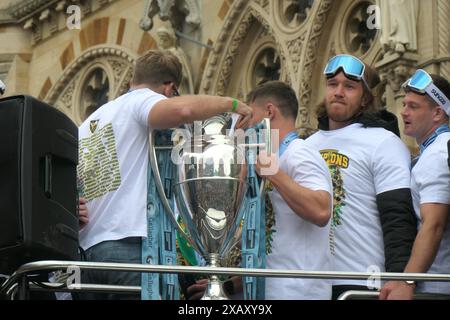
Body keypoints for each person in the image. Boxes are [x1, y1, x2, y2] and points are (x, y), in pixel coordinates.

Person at [76, 49, 252, 299]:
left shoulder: (89, 123)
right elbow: (182, 112)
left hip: (87, 256)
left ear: (131, 81)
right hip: (129, 250)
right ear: (169, 89)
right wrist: (231, 104)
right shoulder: (140, 101)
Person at [188, 80, 333, 300]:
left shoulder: (300, 153)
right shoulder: (270, 159)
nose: (246, 127)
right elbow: (271, 249)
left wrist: (274, 173)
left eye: (251, 118)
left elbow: (321, 211)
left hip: (298, 293)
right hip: (264, 294)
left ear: (270, 111)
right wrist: (228, 286)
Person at [304, 54, 417, 299]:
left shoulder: (384, 143)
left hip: (363, 283)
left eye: (350, 86)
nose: (339, 92)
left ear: (366, 98)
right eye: (333, 84)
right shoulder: (305, 147)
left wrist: (400, 278)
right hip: (310, 284)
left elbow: (398, 217)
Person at [379, 70, 450, 299]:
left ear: (438, 112)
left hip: (438, 287)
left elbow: (434, 224)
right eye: (404, 104)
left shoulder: (437, 154)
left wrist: (407, 281)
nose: (403, 111)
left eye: (413, 106)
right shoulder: (435, 149)